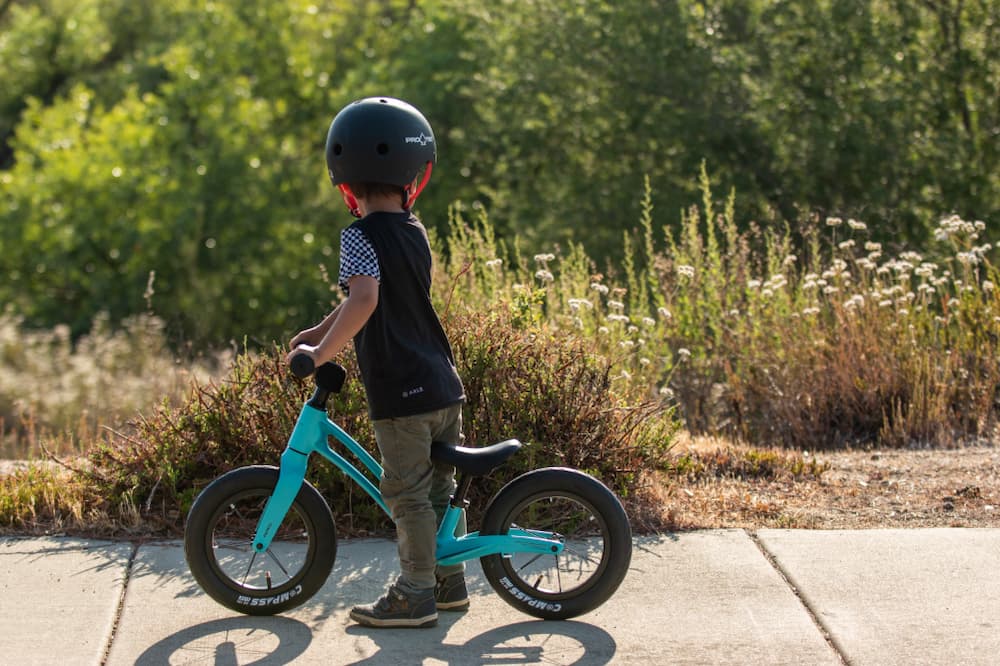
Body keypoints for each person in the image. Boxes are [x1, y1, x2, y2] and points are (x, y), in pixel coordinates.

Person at [287, 97, 467, 628]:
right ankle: (447, 582)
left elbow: (364, 299)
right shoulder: (415, 231)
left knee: (408, 495)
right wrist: (320, 330)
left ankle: (415, 593)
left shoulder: (358, 236)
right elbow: (372, 297)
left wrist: (320, 353)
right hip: (441, 383)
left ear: (346, 183)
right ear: (414, 177)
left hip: (401, 391)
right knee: (438, 491)